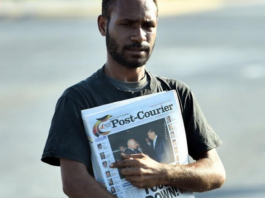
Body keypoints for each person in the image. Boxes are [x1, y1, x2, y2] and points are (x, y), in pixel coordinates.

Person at [41, 0, 226, 197]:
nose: (139, 36)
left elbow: (215, 173)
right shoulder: (78, 100)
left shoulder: (176, 93)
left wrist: (163, 173)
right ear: (103, 26)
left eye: (148, 25)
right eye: (127, 24)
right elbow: (74, 183)